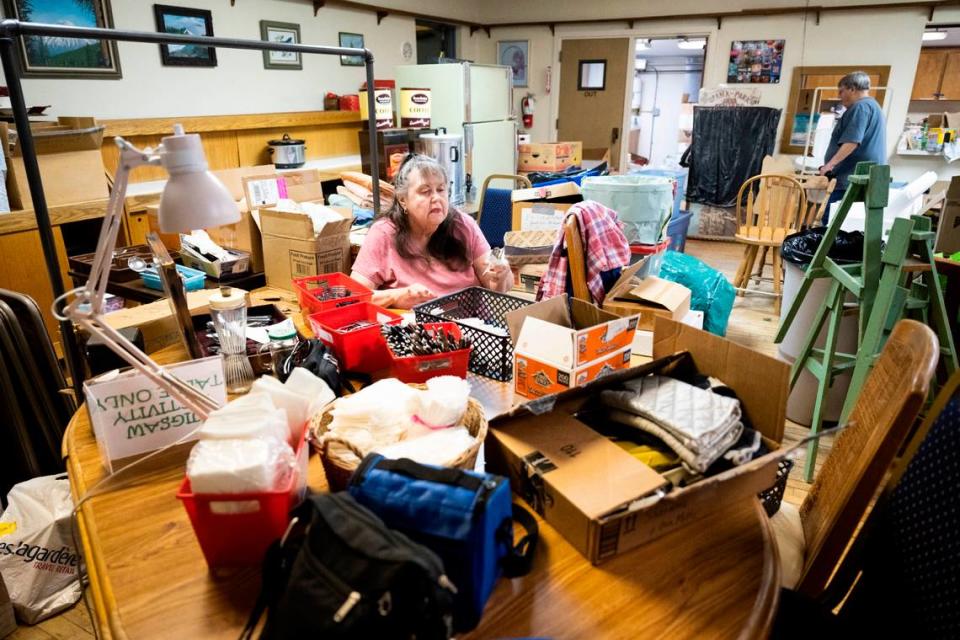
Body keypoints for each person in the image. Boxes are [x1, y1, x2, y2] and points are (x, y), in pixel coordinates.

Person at [351, 154, 512, 309]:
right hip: (415, 330)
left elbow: (494, 285)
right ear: (402, 200)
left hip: (472, 325)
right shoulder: (384, 233)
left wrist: (500, 275)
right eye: (425, 191)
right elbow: (353, 297)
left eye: (441, 189)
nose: (436, 198)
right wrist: (397, 296)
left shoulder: (462, 225)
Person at [819, 71, 887, 220]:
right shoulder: (873, 106)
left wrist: (829, 165)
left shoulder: (860, 107)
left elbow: (852, 141)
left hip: (850, 179)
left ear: (852, 89)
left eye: (841, 91)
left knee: (831, 222)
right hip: (863, 177)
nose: (839, 95)